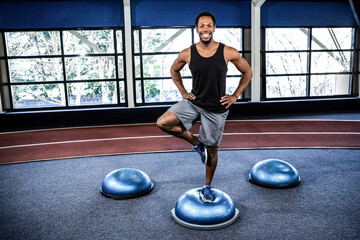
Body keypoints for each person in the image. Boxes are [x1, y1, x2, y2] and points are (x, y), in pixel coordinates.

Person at [156, 11, 253, 203]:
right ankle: (195, 142)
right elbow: (174, 70)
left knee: (212, 151)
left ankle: (207, 186)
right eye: (202, 26)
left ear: (214, 28)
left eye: (209, 25)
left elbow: (248, 72)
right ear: (196, 29)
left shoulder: (228, 52)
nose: (205, 29)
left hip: (216, 109)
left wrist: (235, 96)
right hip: (194, 102)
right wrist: (183, 92)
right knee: (163, 123)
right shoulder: (187, 53)